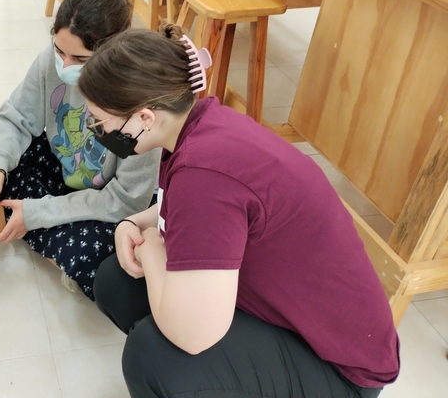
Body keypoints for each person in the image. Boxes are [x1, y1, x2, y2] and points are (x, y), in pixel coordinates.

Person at [76, 26, 400, 397]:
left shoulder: (204, 172)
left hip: (339, 368)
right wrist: (134, 222)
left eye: (99, 121)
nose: (96, 130)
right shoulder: (198, 126)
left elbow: (193, 335)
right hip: (290, 312)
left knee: (152, 357)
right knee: (116, 282)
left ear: (145, 118)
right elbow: (180, 208)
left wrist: (152, 250)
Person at [0, 0, 161, 299]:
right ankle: (17, 209)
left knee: (98, 260)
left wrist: (38, 212)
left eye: (79, 58)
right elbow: (15, 116)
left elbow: (125, 201)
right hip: (62, 168)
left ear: (113, 52)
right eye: (60, 51)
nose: (64, 65)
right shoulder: (51, 60)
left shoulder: (136, 106)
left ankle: (20, 215)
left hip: (105, 200)